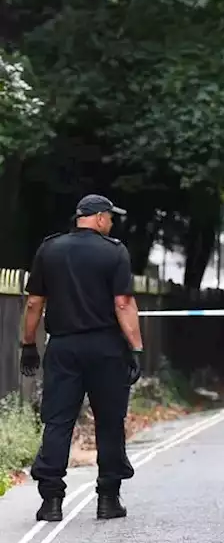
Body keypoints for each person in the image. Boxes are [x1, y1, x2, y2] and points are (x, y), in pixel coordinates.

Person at [20, 194, 143, 523]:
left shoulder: (50, 249)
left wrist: (28, 344)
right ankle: (108, 499)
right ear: (100, 218)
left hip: (63, 347)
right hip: (106, 348)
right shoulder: (114, 251)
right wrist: (136, 347)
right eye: (111, 218)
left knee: (58, 420)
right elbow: (123, 304)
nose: (112, 223)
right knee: (109, 421)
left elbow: (34, 303)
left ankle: (51, 501)